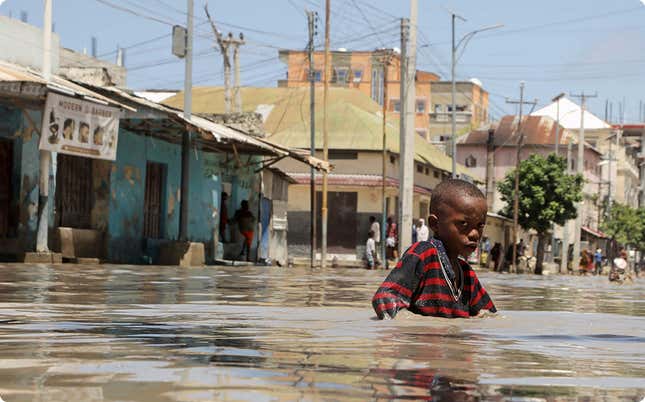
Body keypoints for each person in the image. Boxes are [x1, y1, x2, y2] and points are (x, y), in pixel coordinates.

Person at [372, 179, 497, 319]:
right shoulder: (423, 254)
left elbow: (491, 315)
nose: (474, 234)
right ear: (434, 224)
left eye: (479, 226)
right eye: (463, 223)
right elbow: (384, 299)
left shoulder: (467, 273)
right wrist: (415, 323)